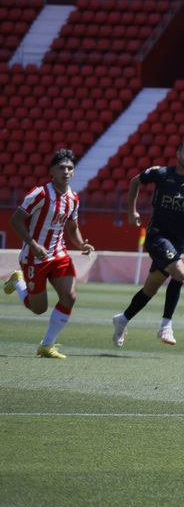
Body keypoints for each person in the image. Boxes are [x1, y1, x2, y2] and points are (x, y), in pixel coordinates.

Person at [112, 137, 184, 348]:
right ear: (178, 154)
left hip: (176, 243)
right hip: (157, 237)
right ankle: (166, 325)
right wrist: (132, 211)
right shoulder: (161, 174)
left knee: (150, 289)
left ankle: (122, 319)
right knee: (181, 273)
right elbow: (134, 181)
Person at [5, 148, 95, 358]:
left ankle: (47, 345)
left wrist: (81, 244)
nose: (66, 171)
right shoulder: (40, 194)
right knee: (39, 309)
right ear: (51, 171)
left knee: (70, 296)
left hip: (59, 254)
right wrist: (33, 244)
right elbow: (15, 220)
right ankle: (18, 282)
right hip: (34, 257)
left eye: (70, 168)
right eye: (61, 167)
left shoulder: (73, 197)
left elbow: (72, 227)